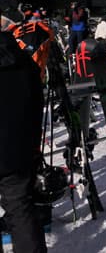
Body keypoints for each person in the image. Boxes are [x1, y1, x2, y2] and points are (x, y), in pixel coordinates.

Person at [0, 27, 47, 253]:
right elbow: (37, 108)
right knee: (21, 211)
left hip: (16, 152)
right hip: (16, 154)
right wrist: (32, 148)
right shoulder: (25, 64)